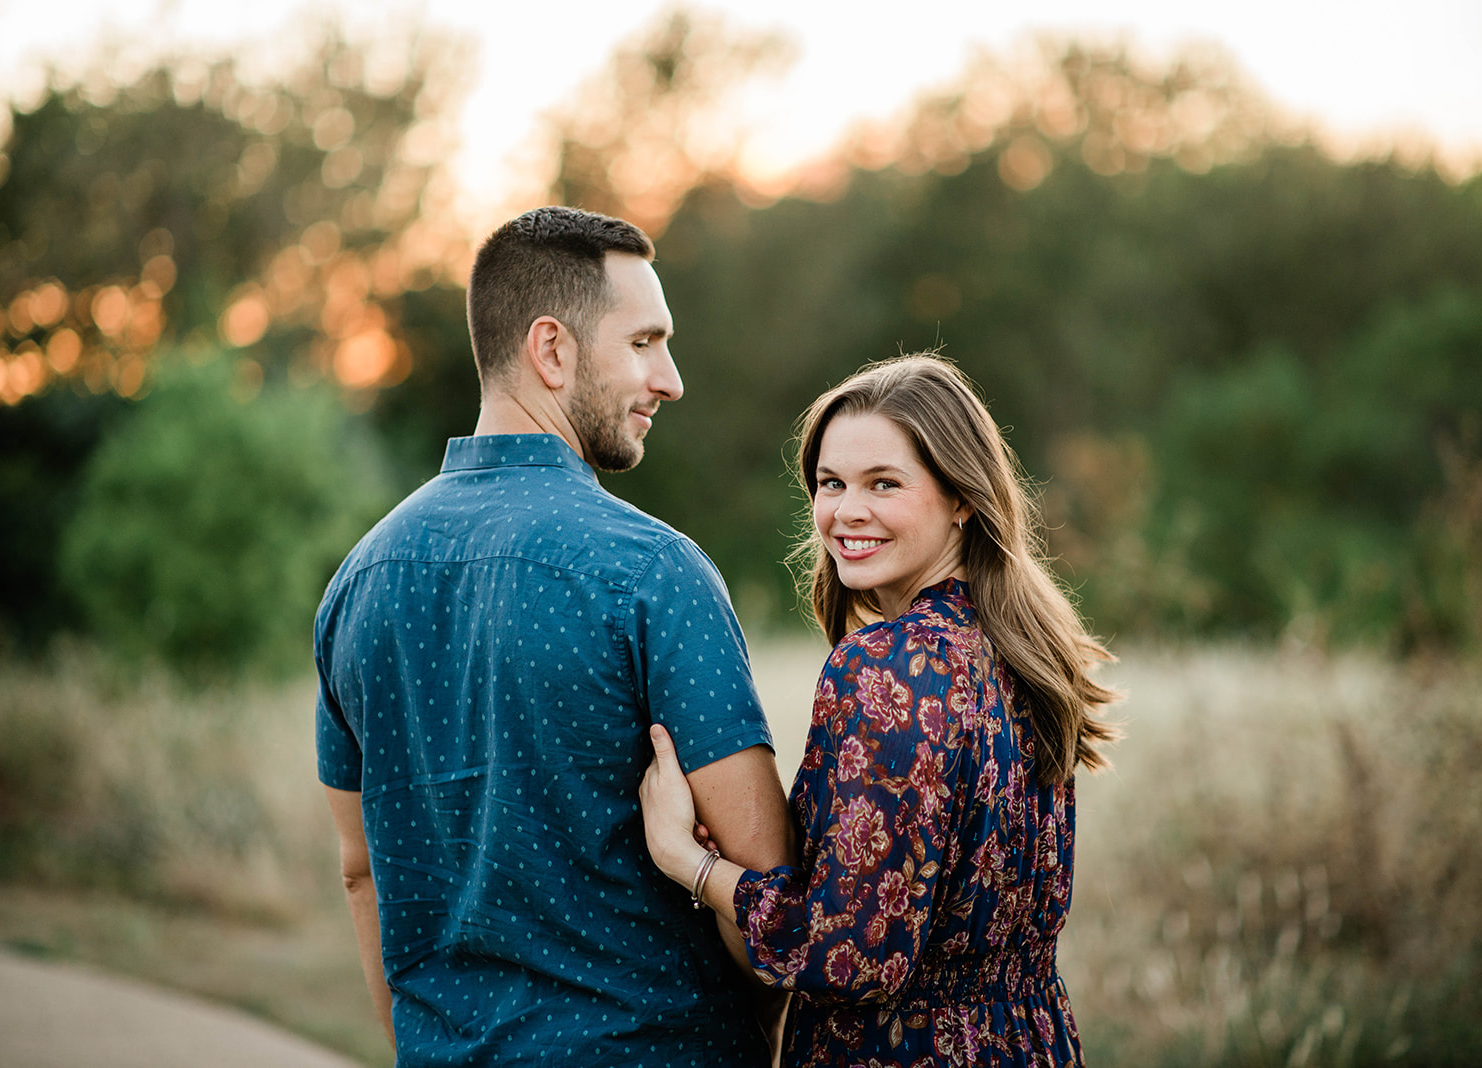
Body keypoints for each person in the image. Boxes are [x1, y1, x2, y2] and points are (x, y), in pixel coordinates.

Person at [315, 206, 794, 1067]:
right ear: (552, 349)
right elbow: (765, 890)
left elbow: (361, 870)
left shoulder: (357, 583)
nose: (671, 379)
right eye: (645, 342)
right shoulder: (655, 572)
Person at [641, 353, 1120, 1066]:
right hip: (1031, 1041)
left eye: (884, 484)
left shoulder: (887, 667)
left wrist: (690, 864)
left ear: (962, 497)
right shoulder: (1024, 653)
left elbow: (849, 958)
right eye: (830, 483)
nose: (846, 511)